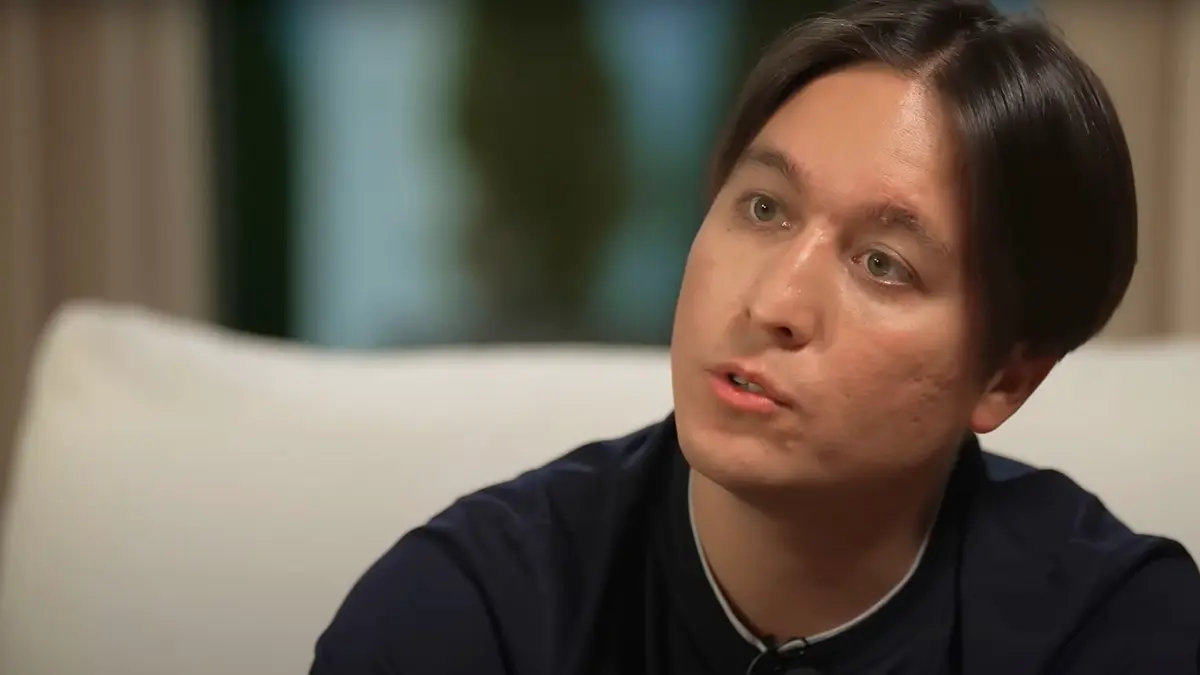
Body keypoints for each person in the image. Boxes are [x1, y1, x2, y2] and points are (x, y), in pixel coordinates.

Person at [310, 1, 1200, 673]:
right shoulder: (471, 614)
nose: (775, 299)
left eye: (883, 263)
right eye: (765, 208)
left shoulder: (1110, 629)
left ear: (1005, 377)